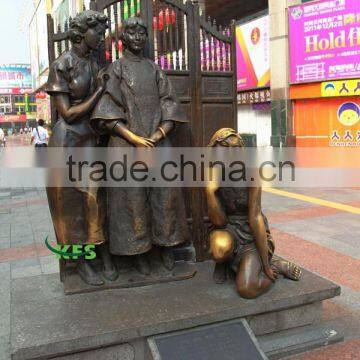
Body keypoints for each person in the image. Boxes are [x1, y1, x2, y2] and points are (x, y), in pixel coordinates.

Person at [91, 17, 189, 274]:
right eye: (132, 33)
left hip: (157, 141)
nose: (138, 37)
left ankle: (166, 247)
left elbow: (170, 104)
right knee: (130, 200)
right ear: (123, 38)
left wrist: (157, 135)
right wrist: (134, 138)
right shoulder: (115, 69)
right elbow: (106, 110)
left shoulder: (155, 69)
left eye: (142, 33)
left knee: (165, 196)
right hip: (125, 143)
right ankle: (138, 254)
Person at [45, 10, 117, 286]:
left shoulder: (96, 64)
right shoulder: (62, 64)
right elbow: (68, 113)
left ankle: (101, 253)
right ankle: (80, 261)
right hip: (67, 141)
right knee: (71, 205)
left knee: (96, 200)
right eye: (97, 31)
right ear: (82, 32)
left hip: (91, 140)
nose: (101, 37)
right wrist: (98, 91)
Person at [206, 128, 302, 299]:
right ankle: (225, 264)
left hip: (251, 234)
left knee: (247, 289)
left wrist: (266, 265)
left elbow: (255, 217)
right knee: (219, 248)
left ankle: (275, 266)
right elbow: (219, 222)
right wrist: (210, 192)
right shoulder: (212, 173)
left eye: (233, 151)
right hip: (228, 229)